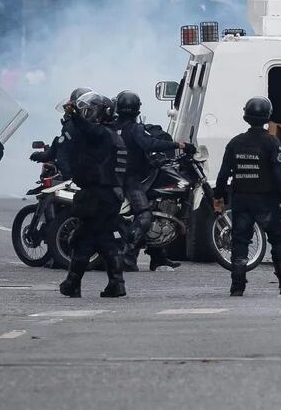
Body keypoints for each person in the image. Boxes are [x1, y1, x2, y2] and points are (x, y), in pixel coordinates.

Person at [211, 97, 281, 297]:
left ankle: (237, 287)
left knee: (240, 241)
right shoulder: (272, 142)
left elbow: (223, 175)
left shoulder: (235, 143)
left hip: (241, 199)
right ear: (268, 117)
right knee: (280, 240)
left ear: (245, 115)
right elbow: (278, 175)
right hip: (267, 200)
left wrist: (219, 197)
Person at [58, 93, 128, 298]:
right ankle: (116, 284)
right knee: (104, 240)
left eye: (90, 111)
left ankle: (72, 283)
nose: (87, 115)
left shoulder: (102, 133)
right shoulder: (110, 134)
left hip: (100, 194)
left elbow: (87, 129)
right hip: (107, 194)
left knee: (83, 239)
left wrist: (74, 116)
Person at [113, 91, 189, 272]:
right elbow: (149, 144)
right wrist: (178, 145)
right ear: (137, 109)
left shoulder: (113, 127)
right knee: (145, 215)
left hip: (116, 177)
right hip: (131, 179)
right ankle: (129, 256)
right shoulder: (134, 128)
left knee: (156, 207)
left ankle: (158, 257)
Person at [30, 86, 92, 180]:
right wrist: (41, 156)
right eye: (67, 107)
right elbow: (60, 148)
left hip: (79, 178)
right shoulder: (71, 126)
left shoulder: (89, 128)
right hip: (71, 178)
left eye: (71, 106)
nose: (67, 110)